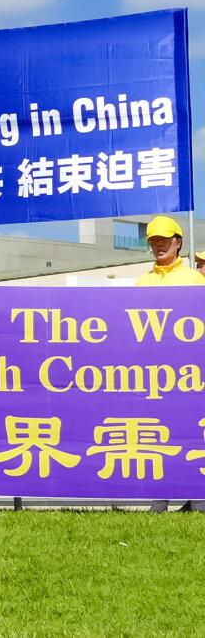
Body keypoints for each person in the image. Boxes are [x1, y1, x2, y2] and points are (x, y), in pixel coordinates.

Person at [135, 216, 204, 513]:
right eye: (153, 240)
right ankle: (159, 500)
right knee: (156, 433)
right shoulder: (142, 282)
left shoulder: (194, 280)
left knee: (192, 433)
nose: (158, 245)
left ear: (178, 242)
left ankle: (198, 499)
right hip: (152, 375)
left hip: (189, 373)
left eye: (163, 239)